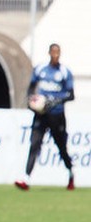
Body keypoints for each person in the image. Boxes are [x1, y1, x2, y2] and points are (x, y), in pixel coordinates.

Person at [15, 43, 75, 191]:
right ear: (49, 53)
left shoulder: (64, 72)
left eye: (58, 53)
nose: (55, 55)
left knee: (61, 147)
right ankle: (26, 179)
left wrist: (54, 101)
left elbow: (71, 94)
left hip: (57, 114)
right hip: (41, 114)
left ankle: (70, 173)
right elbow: (31, 87)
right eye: (53, 52)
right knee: (34, 144)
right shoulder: (41, 69)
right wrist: (30, 100)